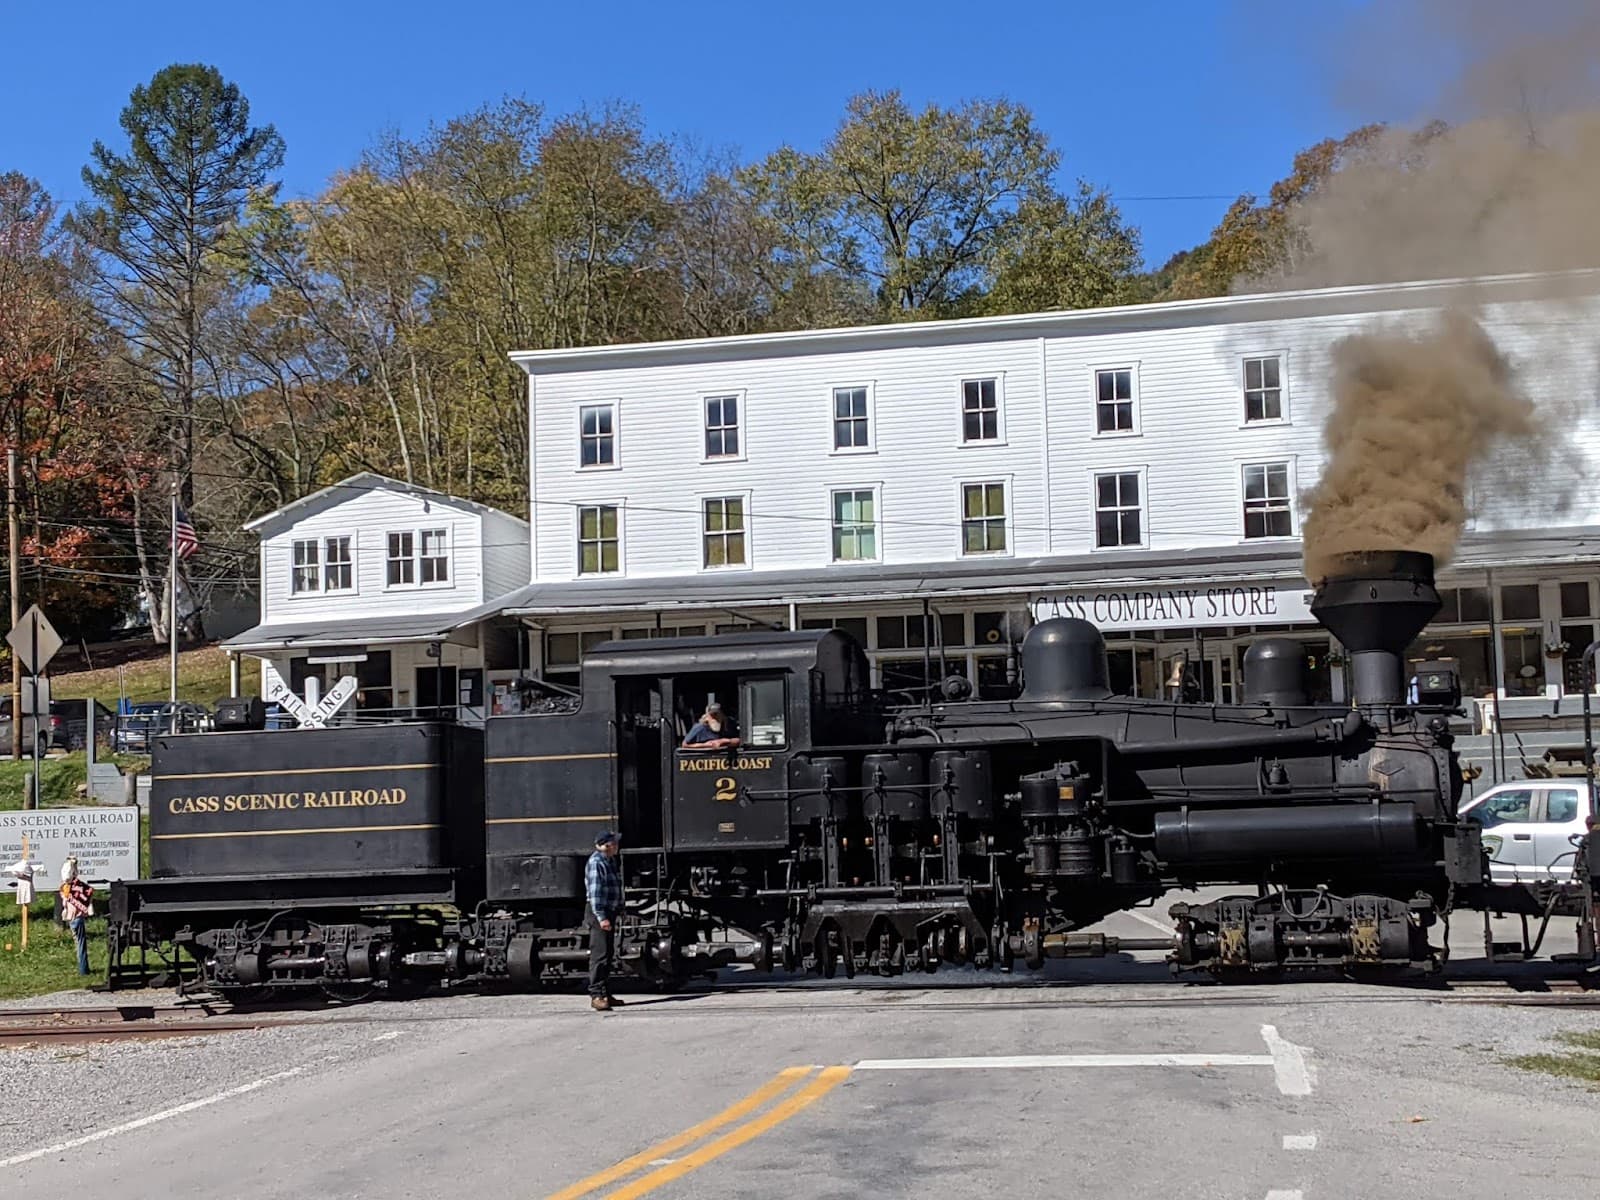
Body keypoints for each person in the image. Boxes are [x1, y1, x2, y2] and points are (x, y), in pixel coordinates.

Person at [585, 830, 624, 1011]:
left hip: (609, 910)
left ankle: (605, 993)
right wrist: (602, 917)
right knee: (599, 955)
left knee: (608, 954)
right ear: (607, 845)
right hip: (600, 912)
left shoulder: (609, 861)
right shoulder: (596, 863)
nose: (617, 846)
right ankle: (596, 995)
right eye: (615, 843)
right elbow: (595, 893)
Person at [59, 856, 94, 976]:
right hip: (78, 918)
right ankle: (83, 970)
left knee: (78, 943)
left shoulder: (65, 889)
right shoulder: (77, 887)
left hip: (71, 918)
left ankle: (83, 968)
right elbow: (87, 894)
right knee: (81, 945)